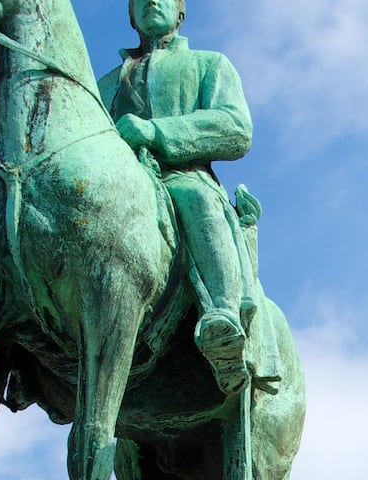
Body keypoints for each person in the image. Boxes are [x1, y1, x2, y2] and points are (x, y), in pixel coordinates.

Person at [98, 0, 253, 395]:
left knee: (195, 201)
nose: (151, 0)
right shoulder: (104, 84)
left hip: (180, 176)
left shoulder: (209, 64)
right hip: (110, 191)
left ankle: (222, 322)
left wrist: (156, 133)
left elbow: (235, 128)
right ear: (130, 15)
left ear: (181, 13)